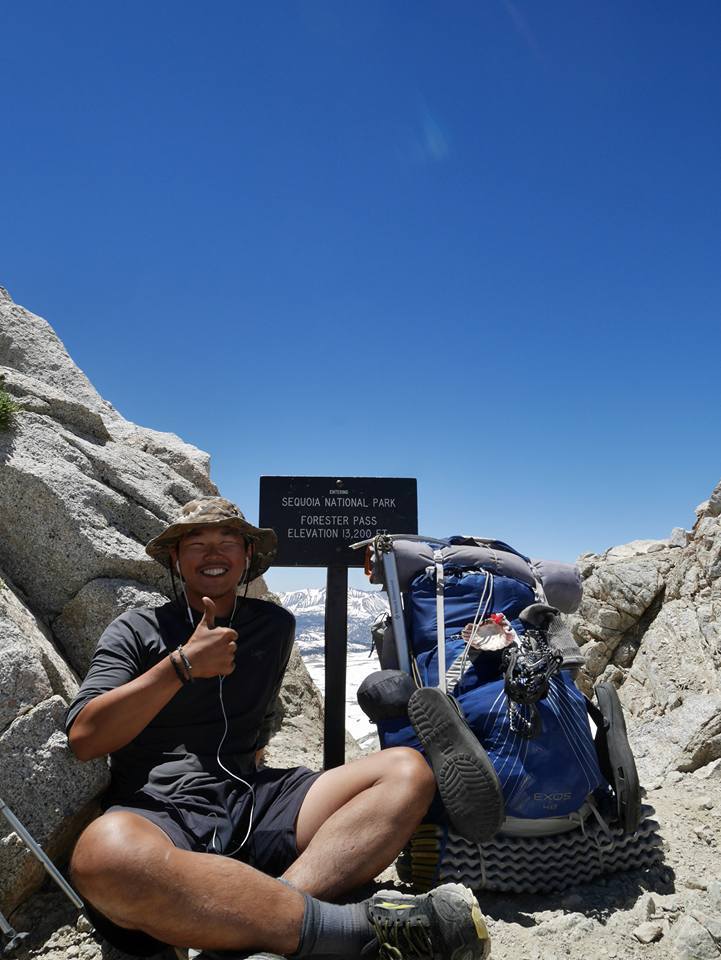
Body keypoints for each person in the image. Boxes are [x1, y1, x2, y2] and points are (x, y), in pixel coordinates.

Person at [66, 497, 491, 959]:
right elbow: (86, 738)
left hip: (252, 798)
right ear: (175, 557)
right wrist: (182, 666)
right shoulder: (135, 629)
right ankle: (348, 931)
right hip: (163, 811)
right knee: (101, 855)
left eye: (228, 542)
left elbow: (260, 721)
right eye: (197, 543)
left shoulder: (274, 626)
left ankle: (259, 921)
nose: (214, 554)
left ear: (247, 554)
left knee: (407, 771)